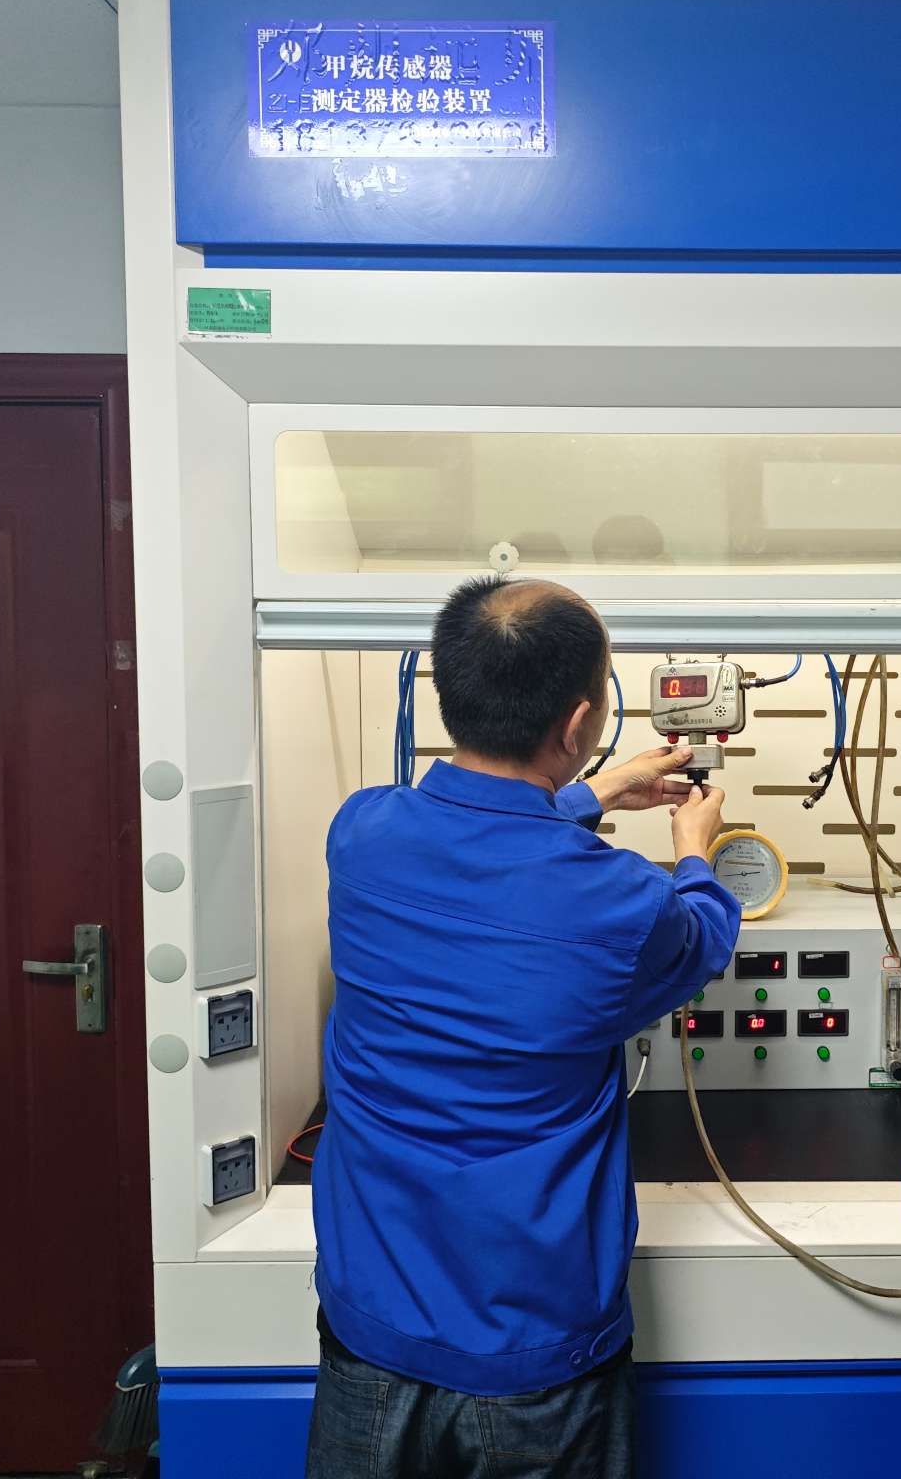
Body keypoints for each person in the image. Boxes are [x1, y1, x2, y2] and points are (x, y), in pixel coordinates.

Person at [309, 576, 742, 1479]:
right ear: (577, 721)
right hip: (540, 1365)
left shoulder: (360, 835)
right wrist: (695, 848)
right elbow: (700, 936)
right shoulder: (622, 904)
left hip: (369, 1338)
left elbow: (484, 850)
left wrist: (590, 794)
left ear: (450, 689)